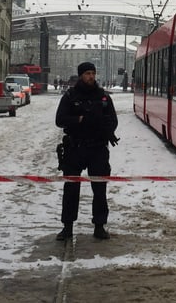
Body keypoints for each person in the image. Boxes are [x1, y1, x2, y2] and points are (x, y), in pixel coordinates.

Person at [55, 62, 118, 241]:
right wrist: (80, 119)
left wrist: (102, 127)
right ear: (81, 75)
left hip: (97, 147)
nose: (91, 76)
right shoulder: (70, 96)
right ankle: (67, 227)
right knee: (71, 189)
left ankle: (99, 226)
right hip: (75, 147)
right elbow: (60, 120)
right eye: (87, 73)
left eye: (93, 73)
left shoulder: (104, 97)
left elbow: (113, 121)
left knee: (99, 188)